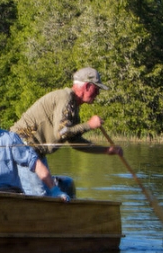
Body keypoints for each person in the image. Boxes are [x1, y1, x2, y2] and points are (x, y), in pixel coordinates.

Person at [10, 67, 123, 197]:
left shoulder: (73, 107)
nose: (98, 94)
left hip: (35, 153)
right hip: (21, 148)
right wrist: (89, 125)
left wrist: (106, 150)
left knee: (53, 192)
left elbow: (75, 142)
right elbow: (62, 133)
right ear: (87, 86)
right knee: (39, 196)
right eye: (96, 89)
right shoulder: (65, 98)